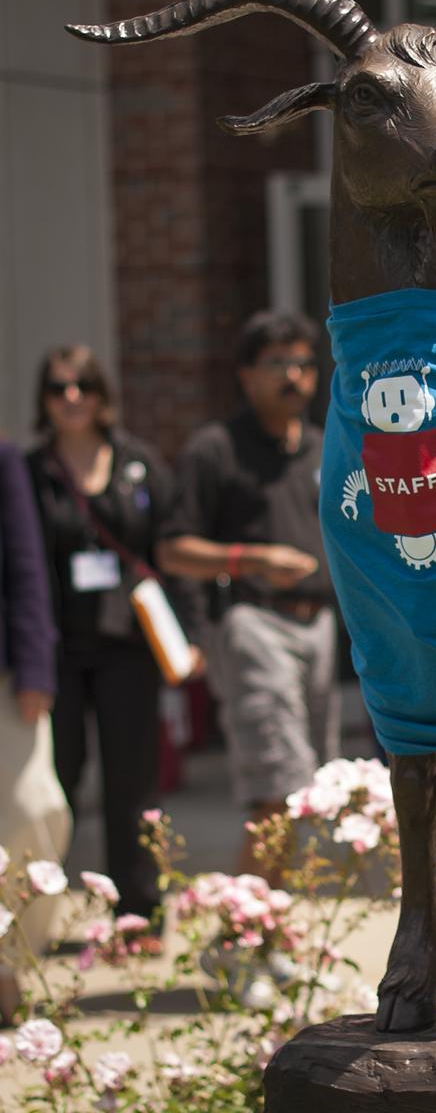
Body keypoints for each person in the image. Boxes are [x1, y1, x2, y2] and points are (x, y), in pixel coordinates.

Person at [156, 311, 338, 877]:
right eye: (278, 363)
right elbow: (171, 549)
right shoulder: (215, 449)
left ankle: (271, 930)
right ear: (245, 375)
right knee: (276, 791)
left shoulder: (323, 446)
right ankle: (245, 938)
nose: (295, 376)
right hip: (253, 625)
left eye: (305, 364)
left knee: (308, 791)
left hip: (321, 628)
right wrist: (249, 558)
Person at [27, 345, 183, 940]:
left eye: (83, 387)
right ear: (44, 399)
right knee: (54, 785)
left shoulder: (137, 462)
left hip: (127, 647)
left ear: (102, 396)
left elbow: (167, 549)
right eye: (59, 388)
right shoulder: (30, 471)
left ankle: (138, 915)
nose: (72, 398)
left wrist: (185, 634)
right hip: (58, 650)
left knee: (133, 784)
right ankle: (39, 916)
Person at [0, 439, 71, 1025]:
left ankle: (16, 956)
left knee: (33, 811)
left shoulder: (4, 457)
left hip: (7, 678)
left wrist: (35, 667)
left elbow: (26, 567)